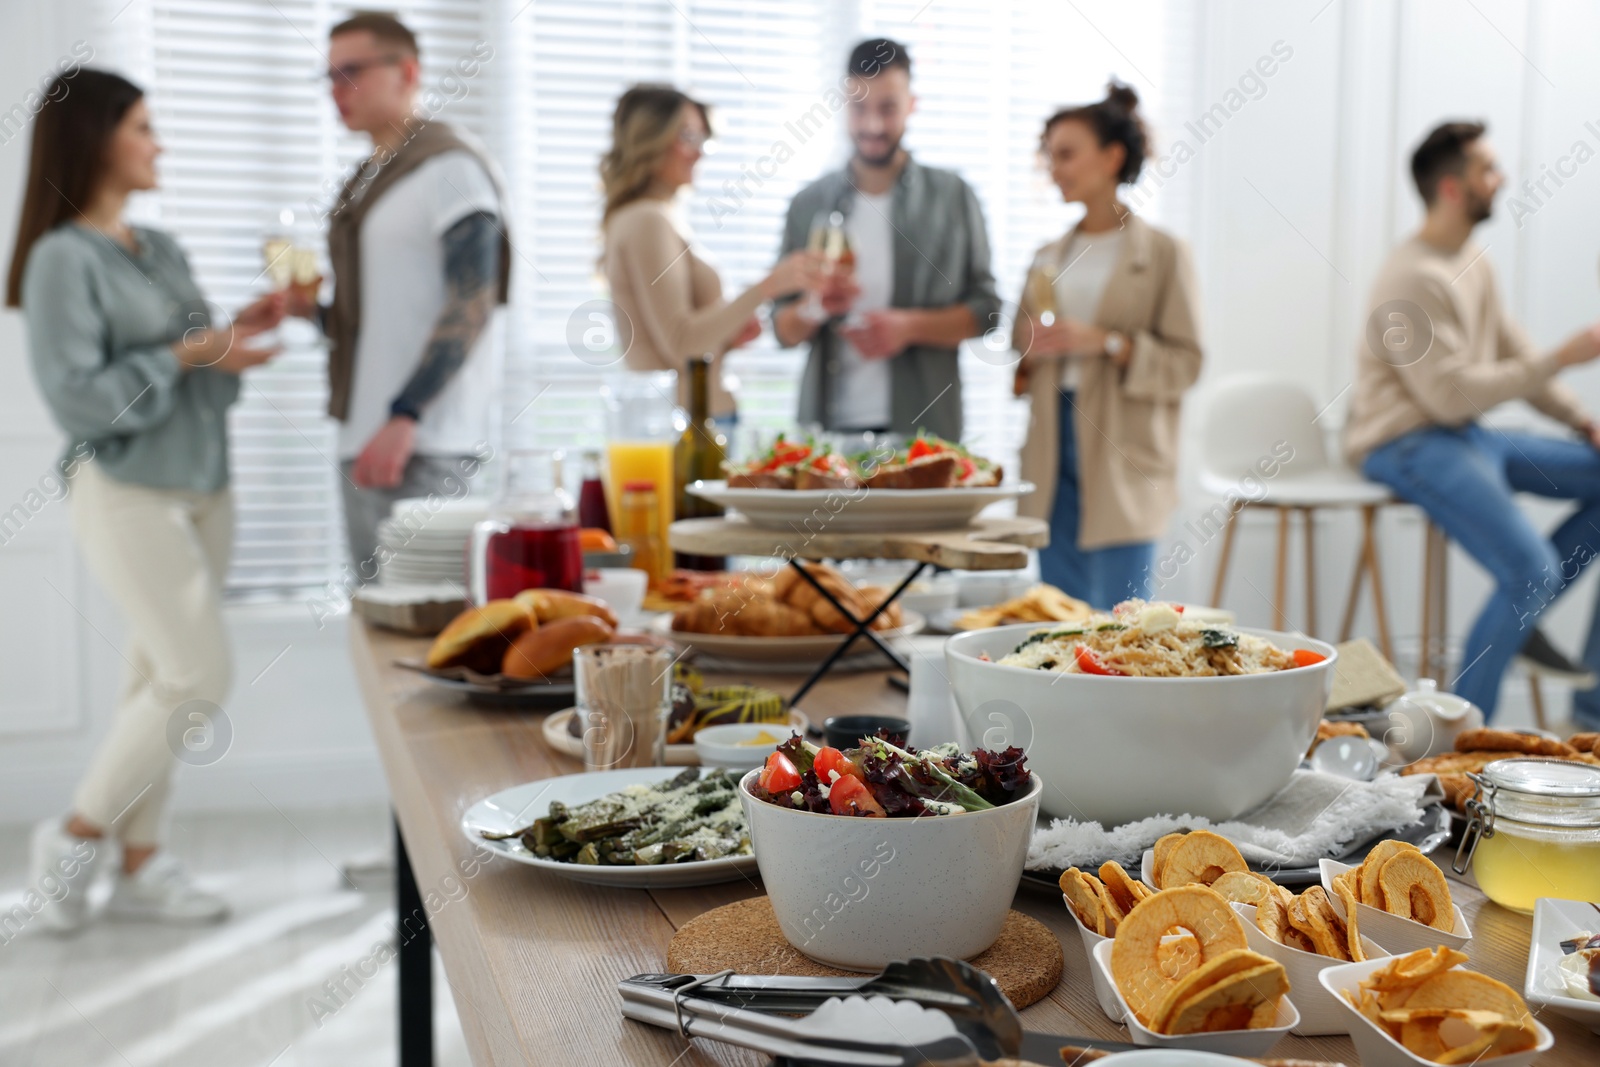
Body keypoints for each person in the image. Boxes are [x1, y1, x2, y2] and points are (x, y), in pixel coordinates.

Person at [9, 70, 285, 929]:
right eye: (142, 126)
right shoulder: (62, 259)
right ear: (94, 137)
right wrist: (187, 355)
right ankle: (71, 841)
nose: (158, 142)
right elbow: (82, 400)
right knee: (196, 675)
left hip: (206, 482)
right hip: (126, 488)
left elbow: (197, 357)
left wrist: (244, 327)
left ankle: (141, 860)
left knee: (156, 679)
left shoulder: (158, 247)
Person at [1345, 120, 1600, 723]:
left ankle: (1589, 709)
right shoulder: (1411, 278)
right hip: (1408, 440)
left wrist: (1585, 423)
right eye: (1488, 168)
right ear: (1454, 189)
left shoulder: (1471, 259)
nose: (1501, 177)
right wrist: (1562, 356)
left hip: (1465, 435)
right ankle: (1458, 742)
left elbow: (1516, 357)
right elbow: (1448, 399)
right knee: (1530, 569)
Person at [291, 11, 509, 569]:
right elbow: (376, 321)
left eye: (352, 71)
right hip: (365, 437)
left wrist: (405, 415)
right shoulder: (366, 184)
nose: (337, 90)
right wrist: (310, 313)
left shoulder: (450, 168)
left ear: (406, 71)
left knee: (430, 625)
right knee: (377, 622)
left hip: (423, 441)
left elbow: (473, 301)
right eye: (330, 76)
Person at [1011, 85, 1203, 608]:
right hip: (1053, 443)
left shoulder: (1163, 254)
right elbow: (1018, 353)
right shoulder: (1046, 254)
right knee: (1056, 615)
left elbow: (1186, 364)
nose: (1055, 168)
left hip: (1123, 447)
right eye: (1050, 156)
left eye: (1067, 154)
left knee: (1124, 619)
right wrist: (1030, 345)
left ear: (1112, 156)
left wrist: (1107, 343)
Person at [773, 39, 1000, 440]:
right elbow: (783, 330)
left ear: (912, 104)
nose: (873, 125)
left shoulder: (953, 196)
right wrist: (815, 307)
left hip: (924, 434)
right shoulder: (807, 205)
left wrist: (909, 327)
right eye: (860, 108)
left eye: (888, 107)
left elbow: (988, 313)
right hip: (829, 435)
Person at [600, 85, 820, 419]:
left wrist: (727, 336)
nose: (699, 152)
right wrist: (768, 287)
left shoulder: (651, 217)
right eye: (687, 136)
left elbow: (679, 342)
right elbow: (681, 344)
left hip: (690, 421)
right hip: (689, 427)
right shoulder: (648, 220)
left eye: (701, 138)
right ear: (650, 139)